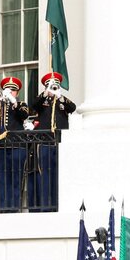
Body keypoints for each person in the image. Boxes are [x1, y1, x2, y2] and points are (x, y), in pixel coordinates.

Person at [27, 72, 75, 212]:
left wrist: (60, 96)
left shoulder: (62, 101)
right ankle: (46, 206)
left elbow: (72, 108)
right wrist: (46, 93)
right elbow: (34, 105)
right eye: (50, 85)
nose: (53, 88)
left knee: (58, 175)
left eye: (55, 85)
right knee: (45, 176)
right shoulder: (43, 101)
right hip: (44, 142)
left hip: (59, 143)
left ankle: (57, 205)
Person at [0, 76, 31, 213]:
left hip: (17, 146)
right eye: (7, 89)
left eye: (13, 90)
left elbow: (23, 115)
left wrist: (13, 101)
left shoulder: (21, 104)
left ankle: (14, 208)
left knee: (15, 177)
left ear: (17, 93)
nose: (9, 92)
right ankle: (3, 208)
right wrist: (1, 100)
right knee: (1, 178)